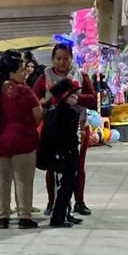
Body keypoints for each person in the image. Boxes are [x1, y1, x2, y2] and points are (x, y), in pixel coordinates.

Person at [33, 42, 96, 216]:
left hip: (78, 126)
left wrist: (78, 99)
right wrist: (45, 102)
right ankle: (52, 202)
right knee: (52, 166)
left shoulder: (81, 75)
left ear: (72, 59)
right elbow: (33, 99)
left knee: (77, 166)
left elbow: (93, 98)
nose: (62, 62)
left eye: (66, 59)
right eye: (58, 58)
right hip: (52, 128)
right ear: (53, 59)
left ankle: (79, 201)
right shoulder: (44, 77)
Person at [0, 50, 42, 230]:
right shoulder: (25, 91)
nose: (25, 74)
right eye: (21, 70)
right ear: (11, 72)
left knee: (1, 181)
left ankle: (2, 217)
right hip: (23, 141)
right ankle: (24, 217)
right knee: (23, 181)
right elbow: (38, 115)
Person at [39, 79, 83, 228]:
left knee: (69, 185)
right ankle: (58, 217)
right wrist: (61, 153)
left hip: (68, 154)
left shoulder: (69, 112)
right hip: (61, 156)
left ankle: (67, 213)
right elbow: (56, 137)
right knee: (63, 187)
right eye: (72, 95)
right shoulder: (58, 114)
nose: (76, 97)